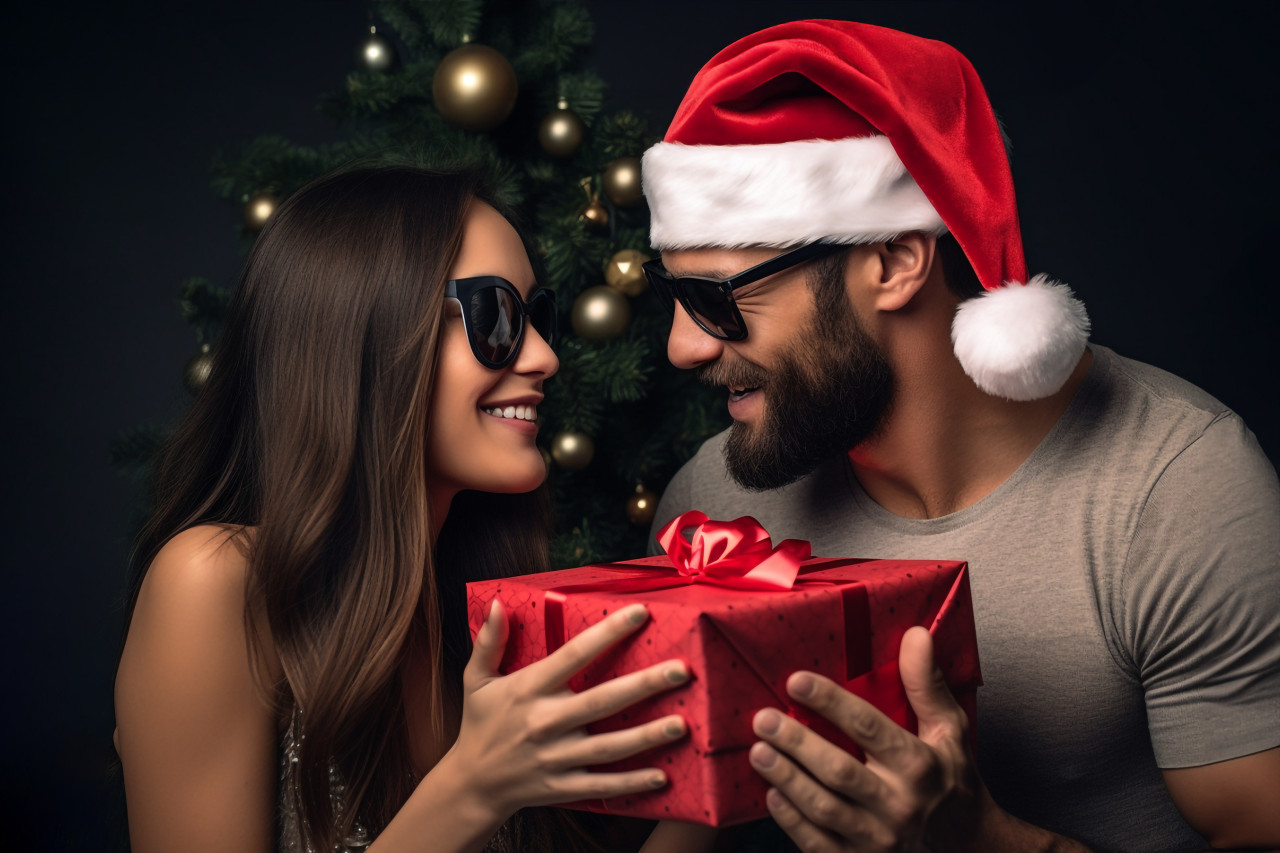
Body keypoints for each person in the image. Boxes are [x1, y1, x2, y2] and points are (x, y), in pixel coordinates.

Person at [642, 20, 1280, 852]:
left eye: (719, 302)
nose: (681, 347)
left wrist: (980, 839)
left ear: (895, 262)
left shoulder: (1176, 489)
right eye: (673, 295)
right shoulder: (717, 506)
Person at [113, 165, 719, 853]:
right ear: (364, 333)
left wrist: (715, 781)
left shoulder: (482, 605)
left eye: (539, 317)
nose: (547, 357)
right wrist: (473, 790)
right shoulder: (213, 582)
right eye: (498, 316)